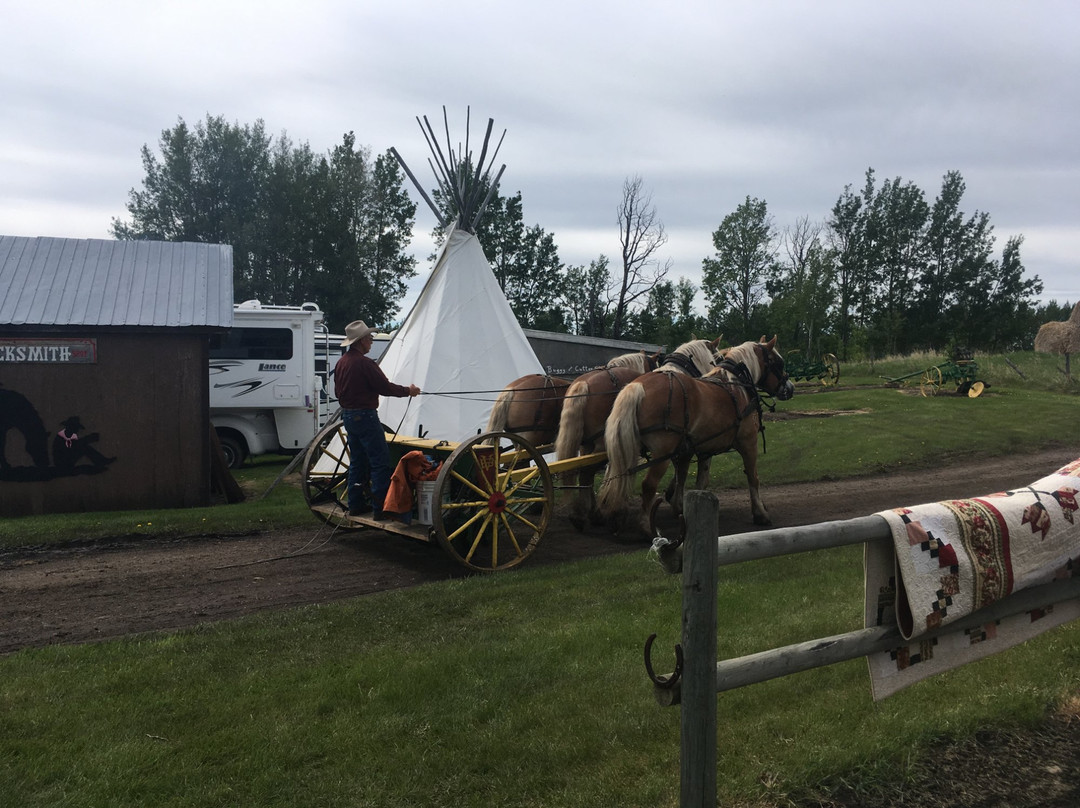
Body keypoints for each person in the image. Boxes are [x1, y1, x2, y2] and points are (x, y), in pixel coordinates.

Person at [334, 320, 420, 518]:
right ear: (362, 340)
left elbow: (337, 391)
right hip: (366, 416)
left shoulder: (342, 363)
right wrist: (409, 391)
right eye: (370, 338)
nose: (371, 342)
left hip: (348, 415)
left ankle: (355, 504)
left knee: (357, 460)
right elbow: (385, 388)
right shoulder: (365, 363)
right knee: (379, 462)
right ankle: (380, 508)